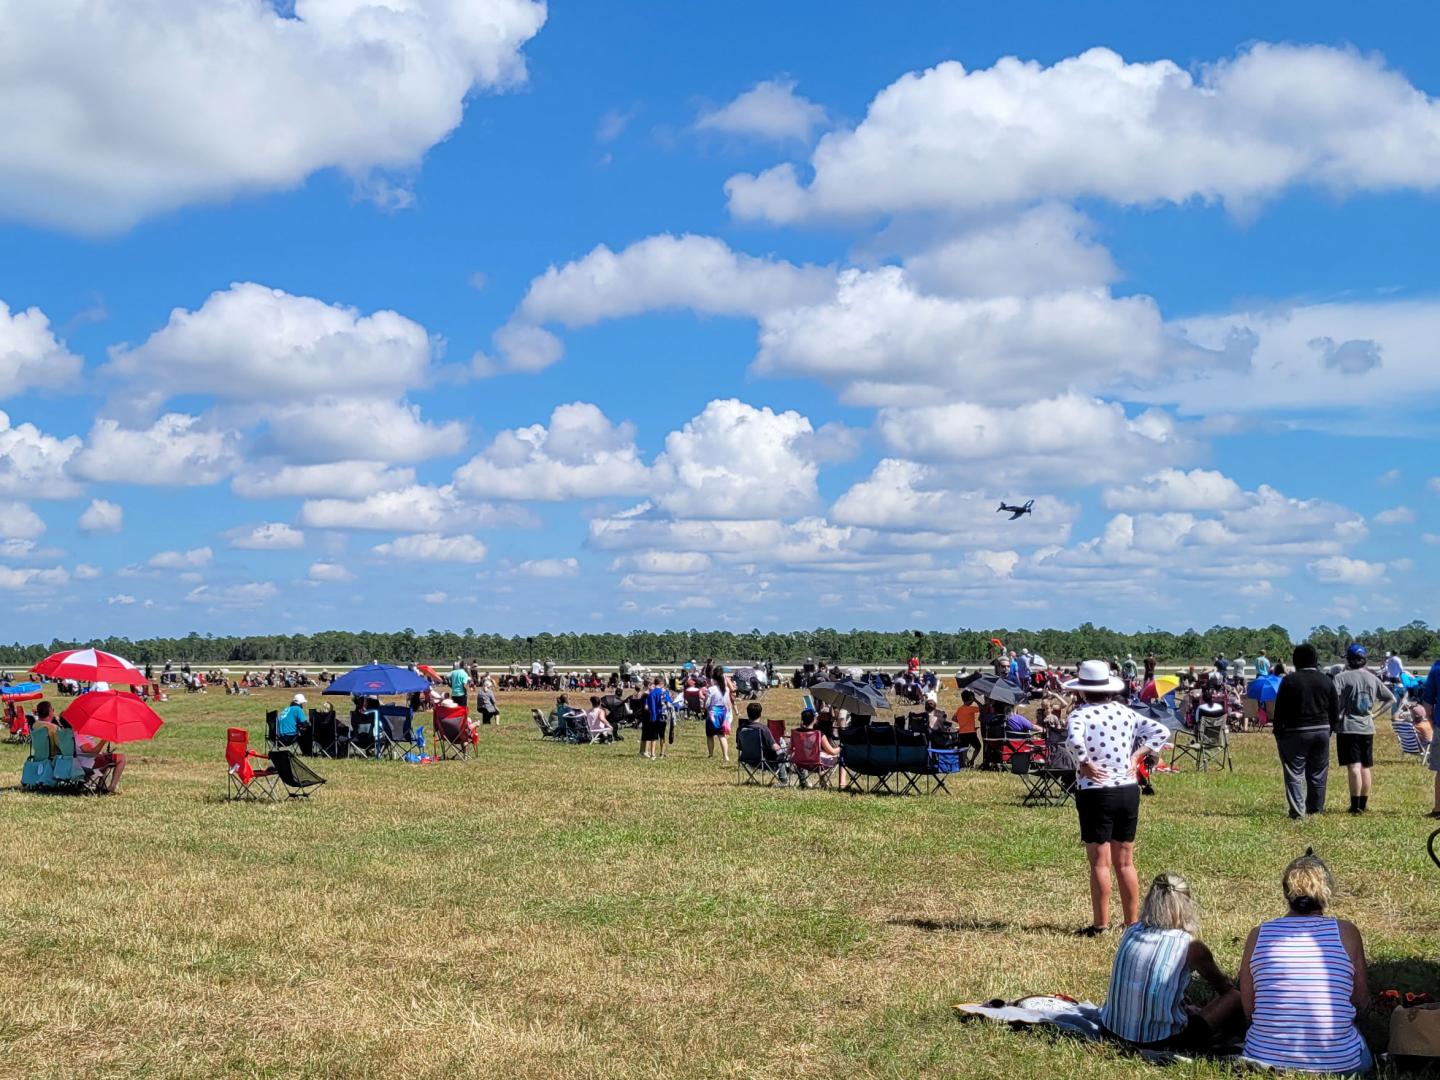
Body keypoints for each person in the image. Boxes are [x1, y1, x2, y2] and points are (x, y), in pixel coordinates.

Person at [1239, 850, 1371, 1074]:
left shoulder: (1258, 934)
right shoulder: (1347, 933)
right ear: (1326, 892)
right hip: (1338, 1065)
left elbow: (1249, 1009)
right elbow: (1360, 999)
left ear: (1285, 892)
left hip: (1263, 1060)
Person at [1064, 660, 1169, 937]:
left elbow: (1074, 741)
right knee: (1125, 862)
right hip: (1127, 790)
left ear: (1082, 691)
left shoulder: (1080, 715)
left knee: (1100, 862)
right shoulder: (1126, 712)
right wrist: (1137, 755)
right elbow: (1161, 731)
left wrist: (1084, 761)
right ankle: (1131, 922)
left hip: (1096, 791)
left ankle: (1100, 925)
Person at [1099, 873, 1242, 1051]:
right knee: (1235, 997)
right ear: (1186, 906)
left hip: (1111, 1030)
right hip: (1161, 1040)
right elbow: (1223, 986)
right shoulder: (1189, 945)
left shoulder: (1132, 930)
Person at [1271, 643, 1340, 819]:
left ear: (1296, 660)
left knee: (1295, 772)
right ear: (1315, 660)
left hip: (1296, 731)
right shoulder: (1326, 680)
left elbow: (1280, 709)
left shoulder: (1290, 680)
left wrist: (1278, 731)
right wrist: (1331, 728)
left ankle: (1297, 811)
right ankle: (1315, 808)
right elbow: (1334, 708)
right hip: (1322, 730)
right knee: (1318, 772)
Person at [1331, 644, 1393, 814]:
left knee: (1354, 767)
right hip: (1367, 727)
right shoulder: (1372, 678)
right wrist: (1374, 714)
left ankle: (1354, 805)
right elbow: (1390, 699)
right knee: (1365, 766)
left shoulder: (1341, 678)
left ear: (1349, 659)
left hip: (1349, 727)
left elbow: (1335, 704)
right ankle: (1364, 804)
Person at [705, 668, 733, 763]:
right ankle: (725, 756)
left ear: (714, 679)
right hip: (722, 713)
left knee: (710, 735)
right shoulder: (726, 689)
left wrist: (705, 707)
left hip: (712, 713)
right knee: (722, 735)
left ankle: (711, 755)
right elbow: (728, 703)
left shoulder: (711, 689)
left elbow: (707, 703)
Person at [640, 676, 672, 760]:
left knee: (653, 737)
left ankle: (653, 754)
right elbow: (669, 704)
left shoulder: (651, 693)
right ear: (662, 683)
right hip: (662, 717)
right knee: (662, 736)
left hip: (653, 717)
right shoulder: (664, 692)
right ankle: (662, 753)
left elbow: (647, 707)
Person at [950, 690, 981, 765]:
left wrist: (962, 722)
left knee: (964, 748)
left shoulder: (960, 709)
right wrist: (976, 700)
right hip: (970, 732)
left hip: (962, 732)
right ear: (971, 698)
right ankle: (972, 761)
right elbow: (982, 708)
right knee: (978, 747)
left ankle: (964, 762)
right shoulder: (971, 708)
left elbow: (953, 718)